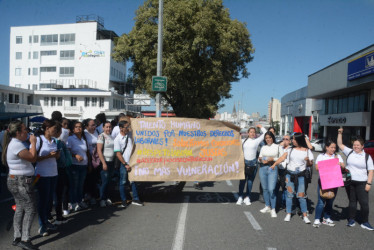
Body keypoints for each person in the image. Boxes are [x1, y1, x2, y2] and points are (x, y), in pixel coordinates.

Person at [2, 121, 38, 250]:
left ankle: (17, 237)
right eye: (24, 130)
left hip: (16, 179)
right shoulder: (16, 145)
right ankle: (25, 238)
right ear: (18, 133)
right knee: (30, 208)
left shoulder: (15, 144)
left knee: (20, 207)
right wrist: (33, 143)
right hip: (21, 181)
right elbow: (32, 157)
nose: (27, 132)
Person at [271, 133, 314, 224]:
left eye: (294, 139)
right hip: (289, 175)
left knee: (301, 196)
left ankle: (305, 215)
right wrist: (274, 164)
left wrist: (307, 161)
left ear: (299, 140)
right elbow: (282, 158)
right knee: (289, 195)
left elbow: (310, 164)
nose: (292, 141)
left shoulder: (307, 151)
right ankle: (288, 213)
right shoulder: (290, 150)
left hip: (301, 176)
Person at [337, 128, 374, 230]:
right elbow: (340, 144)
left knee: (364, 204)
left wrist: (369, 183)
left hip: (362, 183)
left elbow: (371, 171)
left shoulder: (366, 156)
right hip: (350, 182)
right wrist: (340, 133)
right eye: (354, 145)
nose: (355, 146)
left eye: (358, 145)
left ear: (362, 146)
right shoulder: (350, 152)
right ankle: (351, 220)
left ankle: (365, 222)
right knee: (352, 202)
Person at [33, 119, 60, 236]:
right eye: (55, 129)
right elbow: (33, 158)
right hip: (42, 174)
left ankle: (46, 221)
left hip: (53, 173)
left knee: (49, 200)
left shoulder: (54, 140)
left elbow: (56, 158)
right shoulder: (39, 140)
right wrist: (49, 156)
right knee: (43, 200)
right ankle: (42, 225)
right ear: (47, 128)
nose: (56, 131)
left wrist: (56, 155)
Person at [313, 140, 344, 228]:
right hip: (324, 181)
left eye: (334, 147)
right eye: (331, 147)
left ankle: (327, 218)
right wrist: (329, 165)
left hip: (334, 181)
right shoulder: (321, 156)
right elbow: (317, 168)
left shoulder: (337, 156)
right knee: (321, 201)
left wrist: (339, 164)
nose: (333, 149)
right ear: (327, 147)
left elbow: (343, 166)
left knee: (330, 201)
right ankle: (317, 219)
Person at [114, 120, 143, 208]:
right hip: (125, 164)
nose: (128, 129)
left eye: (128, 127)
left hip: (133, 162)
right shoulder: (117, 139)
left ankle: (136, 198)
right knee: (123, 182)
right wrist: (125, 164)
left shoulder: (130, 135)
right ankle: (124, 201)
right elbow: (118, 153)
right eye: (126, 127)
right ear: (121, 128)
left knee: (133, 181)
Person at [237, 124, 267, 205]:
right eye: (251, 132)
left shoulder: (257, 140)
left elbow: (265, 133)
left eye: (254, 132)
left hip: (253, 163)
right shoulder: (243, 141)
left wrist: (261, 127)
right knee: (242, 181)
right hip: (244, 163)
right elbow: (235, 136)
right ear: (248, 133)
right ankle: (240, 196)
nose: (252, 133)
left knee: (250, 182)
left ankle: (247, 197)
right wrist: (241, 127)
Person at [258, 131, 283, 218]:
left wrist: (272, 159)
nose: (268, 139)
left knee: (271, 189)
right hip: (263, 168)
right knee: (265, 189)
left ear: (273, 138)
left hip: (272, 168)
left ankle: (273, 209)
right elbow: (259, 158)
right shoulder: (263, 147)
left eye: (270, 137)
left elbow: (282, 158)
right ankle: (267, 206)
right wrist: (261, 160)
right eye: (266, 138)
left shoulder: (277, 146)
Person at [66, 121, 89, 212]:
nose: (79, 128)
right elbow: (67, 151)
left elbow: (86, 152)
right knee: (74, 185)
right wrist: (75, 156)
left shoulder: (83, 139)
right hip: (75, 165)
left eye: (80, 127)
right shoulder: (71, 139)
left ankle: (79, 201)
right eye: (76, 127)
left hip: (83, 165)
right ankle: (73, 202)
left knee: (80, 185)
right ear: (73, 129)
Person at [97, 121, 115, 207]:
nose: (108, 129)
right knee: (104, 181)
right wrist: (103, 163)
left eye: (110, 127)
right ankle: (102, 199)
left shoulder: (111, 137)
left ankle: (107, 197)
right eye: (106, 127)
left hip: (111, 162)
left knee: (109, 181)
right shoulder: (101, 136)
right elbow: (99, 151)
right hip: (105, 162)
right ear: (103, 128)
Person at [83, 118, 99, 205]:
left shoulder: (97, 133)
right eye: (92, 125)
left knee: (94, 180)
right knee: (87, 180)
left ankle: (93, 196)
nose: (94, 127)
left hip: (97, 160)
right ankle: (86, 196)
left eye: (95, 125)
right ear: (86, 126)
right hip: (87, 160)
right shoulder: (84, 134)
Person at [277, 134, 291, 209]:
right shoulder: (279, 148)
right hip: (278, 168)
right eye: (284, 139)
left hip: (286, 170)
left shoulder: (291, 149)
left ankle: (284, 203)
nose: (285, 140)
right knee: (276, 186)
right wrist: (280, 146)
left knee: (285, 187)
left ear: (290, 141)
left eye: (287, 139)